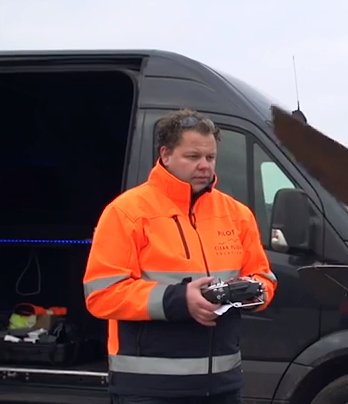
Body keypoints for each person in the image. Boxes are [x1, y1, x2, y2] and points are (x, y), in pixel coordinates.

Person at [83, 108, 278, 403]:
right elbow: (102, 295)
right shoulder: (126, 212)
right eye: (192, 157)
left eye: (210, 157)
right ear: (165, 154)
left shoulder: (237, 214)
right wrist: (180, 300)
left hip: (223, 386)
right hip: (149, 388)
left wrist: (252, 292)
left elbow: (264, 278)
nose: (204, 166)